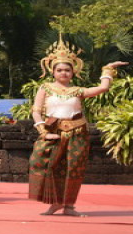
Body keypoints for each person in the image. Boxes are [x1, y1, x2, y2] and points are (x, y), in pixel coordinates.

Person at [29, 35, 127, 216]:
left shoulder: (78, 91)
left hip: (77, 133)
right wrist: (43, 132)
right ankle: (55, 203)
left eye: (67, 70)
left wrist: (107, 70)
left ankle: (68, 206)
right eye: (59, 70)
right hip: (53, 133)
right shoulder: (45, 88)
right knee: (46, 166)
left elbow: (102, 88)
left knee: (73, 170)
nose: (63, 73)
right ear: (53, 71)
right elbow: (36, 111)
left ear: (73, 72)